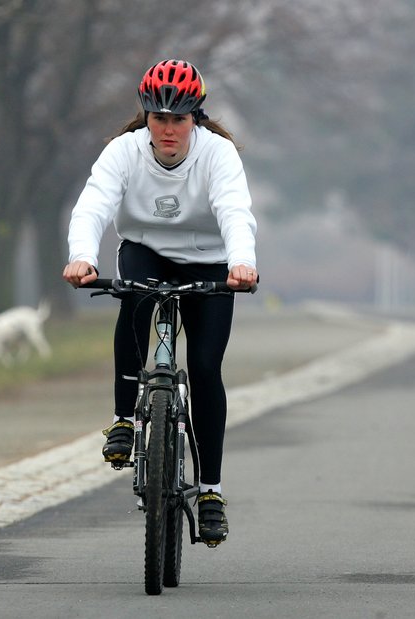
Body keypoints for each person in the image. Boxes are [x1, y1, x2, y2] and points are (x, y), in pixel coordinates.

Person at [62, 59, 258, 546]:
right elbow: (94, 203)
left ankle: (210, 492)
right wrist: (82, 257)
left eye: (180, 119)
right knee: (133, 302)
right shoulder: (123, 151)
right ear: (145, 116)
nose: (169, 129)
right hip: (145, 249)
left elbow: (235, 209)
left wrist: (241, 263)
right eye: (159, 118)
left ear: (197, 116)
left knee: (207, 367)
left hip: (209, 261)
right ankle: (125, 420)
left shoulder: (218, 154)